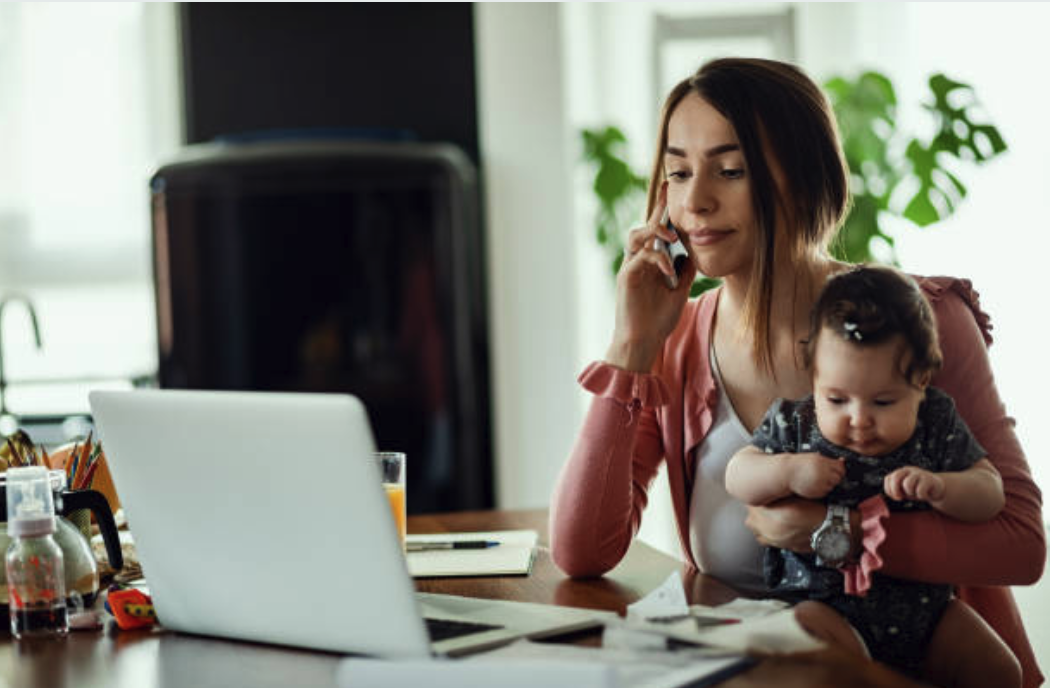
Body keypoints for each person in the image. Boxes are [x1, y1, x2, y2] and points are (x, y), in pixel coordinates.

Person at [548, 57, 1045, 687]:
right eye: (677, 172)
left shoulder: (922, 320)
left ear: (803, 179)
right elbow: (579, 552)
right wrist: (632, 342)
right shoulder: (677, 344)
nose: (695, 200)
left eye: (730, 171)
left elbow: (1021, 544)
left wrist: (829, 533)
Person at [725, 264, 1015, 686]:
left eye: (882, 402)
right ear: (814, 379)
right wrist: (788, 471)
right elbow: (737, 474)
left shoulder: (934, 421)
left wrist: (944, 488)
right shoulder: (797, 424)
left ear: (921, 383)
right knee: (830, 661)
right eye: (837, 398)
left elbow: (991, 492)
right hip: (822, 606)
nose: (858, 419)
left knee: (1001, 670)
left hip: (927, 613)